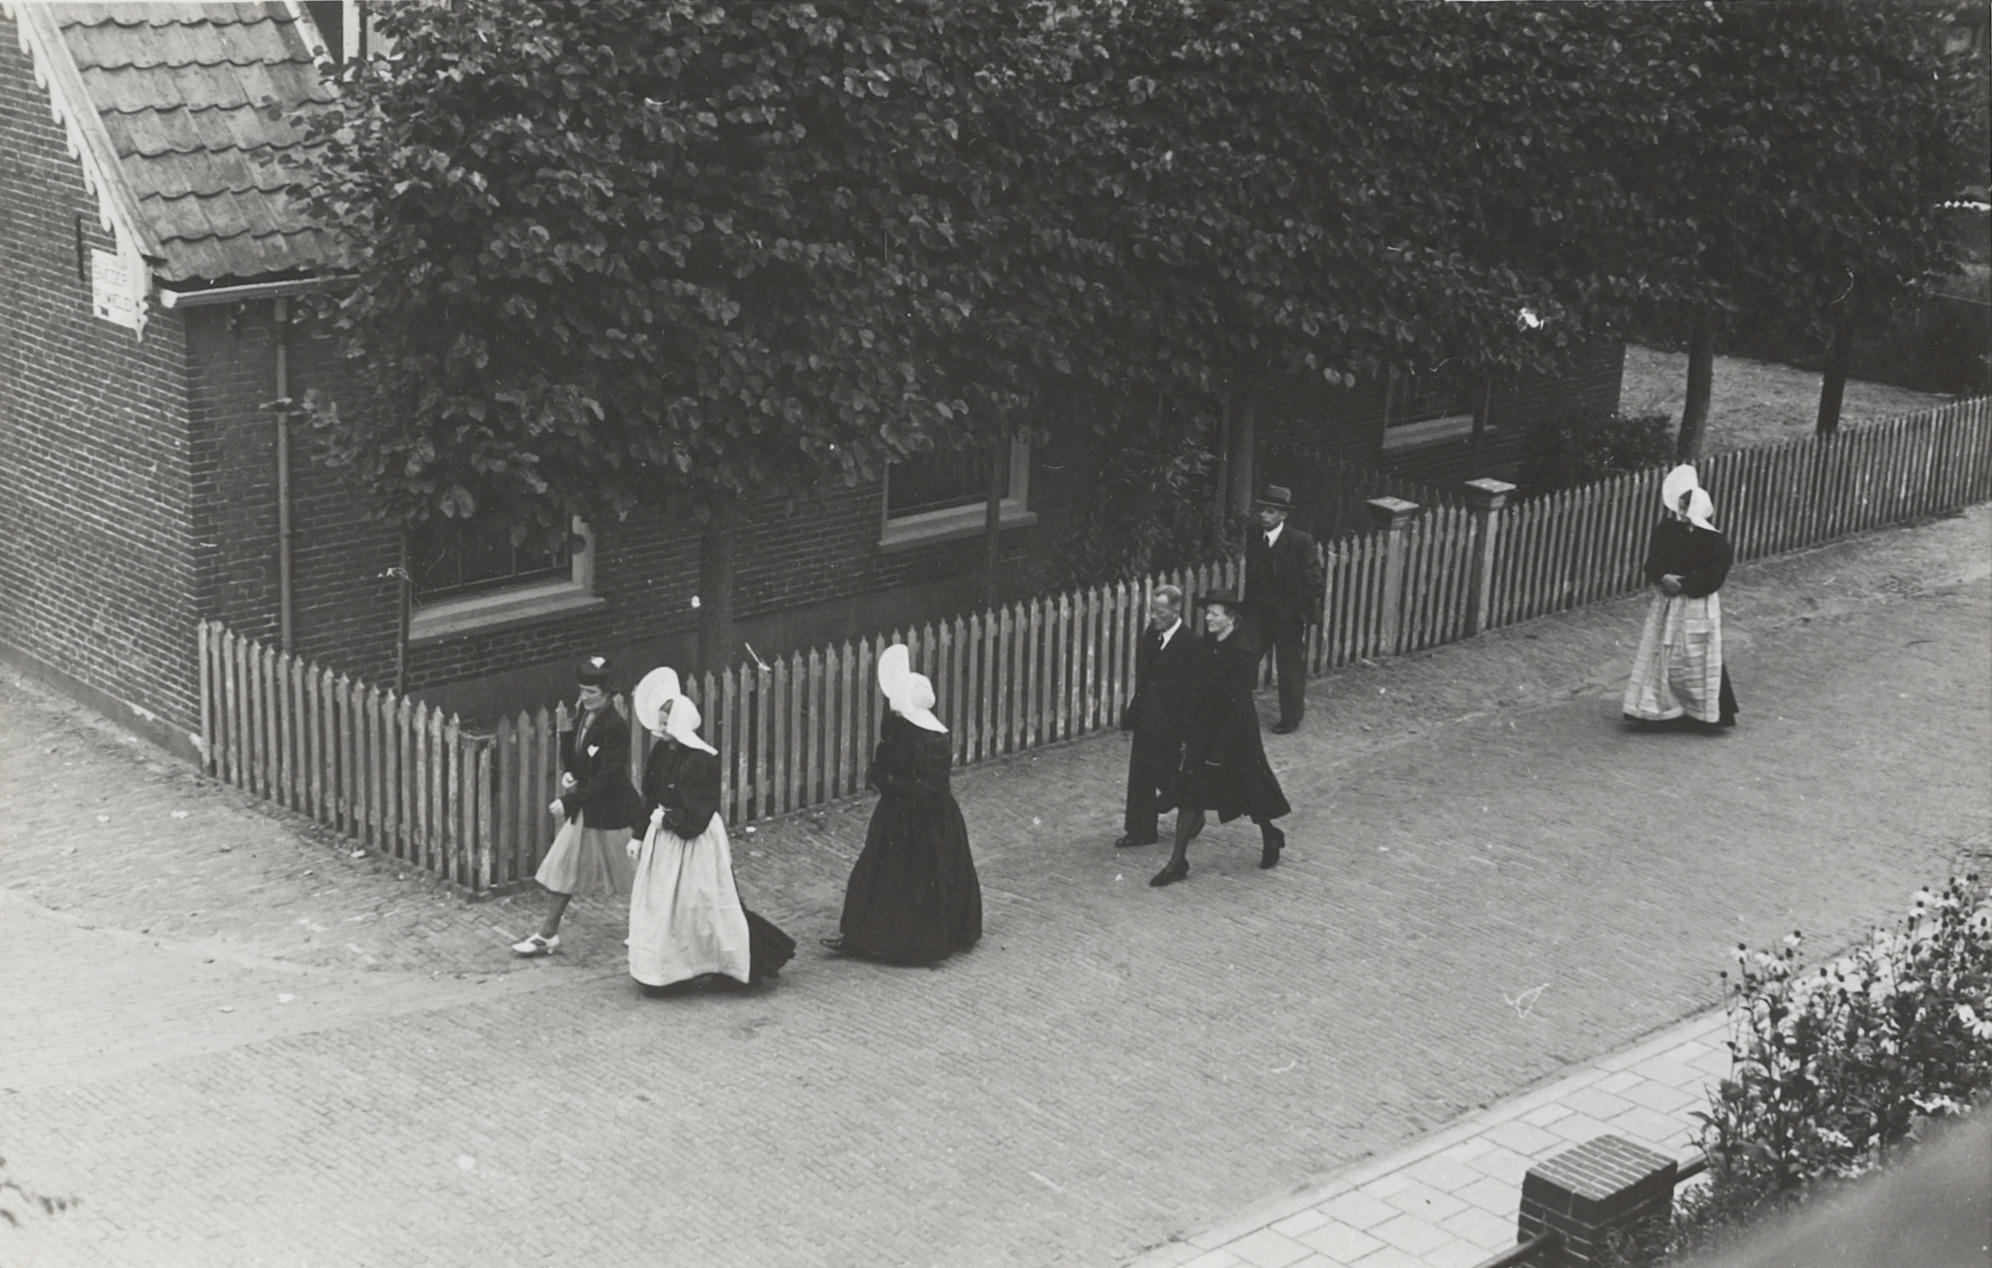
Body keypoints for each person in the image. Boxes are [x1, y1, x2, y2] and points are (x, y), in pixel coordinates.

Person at [626, 680, 795, 990]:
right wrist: (639, 834)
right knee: (665, 906)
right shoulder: (662, 753)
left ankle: (739, 960)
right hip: (663, 842)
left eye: (665, 723)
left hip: (694, 844)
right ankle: (667, 971)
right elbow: (650, 794)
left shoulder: (701, 760)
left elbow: (697, 816)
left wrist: (669, 820)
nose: (659, 728)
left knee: (704, 904)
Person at [822, 647, 983, 964]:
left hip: (921, 819)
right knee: (879, 871)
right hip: (901, 815)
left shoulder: (932, 740)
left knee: (913, 877)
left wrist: (891, 782)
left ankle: (909, 941)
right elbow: (889, 757)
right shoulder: (907, 730)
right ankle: (864, 935)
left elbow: (929, 787)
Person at [1150, 591, 1292, 887]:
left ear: (1231, 618)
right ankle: (1178, 862)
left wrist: (1219, 749)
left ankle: (1270, 833)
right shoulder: (1208, 646)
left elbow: (1238, 704)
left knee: (1250, 790)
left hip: (1235, 733)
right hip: (1205, 729)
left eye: (1214, 614)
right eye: (1207, 613)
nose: (1208, 618)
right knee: (1190, 793)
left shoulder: (1241, 650)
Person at [511, 655, 644, 956]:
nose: (585, 697)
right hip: (588, 811)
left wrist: (569, 800)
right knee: (564, 868)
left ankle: (648, 929)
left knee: (636, 876)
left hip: (614, 813)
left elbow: (608, 777)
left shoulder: (615, 726)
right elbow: (579, 758)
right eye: (582, 691)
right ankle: (547, 934)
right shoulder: (583, 714)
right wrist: (570, 771)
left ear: (608, 693)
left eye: (592, 693)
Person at [1623, 465, 1740, 730]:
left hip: (1695, 604)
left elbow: (1715, 576)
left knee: (1696, 653)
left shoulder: (1715, 541)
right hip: (1667, 603)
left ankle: (1699, 711)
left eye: (1688, 508)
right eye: (1681, 507)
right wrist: (1662, 577)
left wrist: (1684, 584)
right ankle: (1658, 707)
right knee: (1662, 651)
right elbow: (1652, 562)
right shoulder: (1666, 530)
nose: (1683, 513)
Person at [1116, 584, 1199, 848]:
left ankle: (1193, 810)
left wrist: (1188, 732)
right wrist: (1132, 714)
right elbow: (1143, 678)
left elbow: (1193, 692)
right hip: (1148, 716)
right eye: (1152, 610)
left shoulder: (1190, 643)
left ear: (1176, 610)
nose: (1153, 616)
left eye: (1160, 611)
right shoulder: (1151, 635)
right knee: (1141, 773)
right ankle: (1140, 830)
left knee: (1167, 774)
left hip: (1174, 722)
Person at [1243, 484, 1323, 734]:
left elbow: (1314, 582)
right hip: (1259, 613)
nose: (1263, 516)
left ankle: (1291, 718)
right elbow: (1253, 576)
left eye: (1270, 512)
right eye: (1262, 511)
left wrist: (1294, 611)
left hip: (1288, 616)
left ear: (1283, 516)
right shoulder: (1254, 535)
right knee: (1243, 658)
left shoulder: (1300, 541)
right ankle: (1236, 712)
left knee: (1289, 667)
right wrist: (1248, 609)